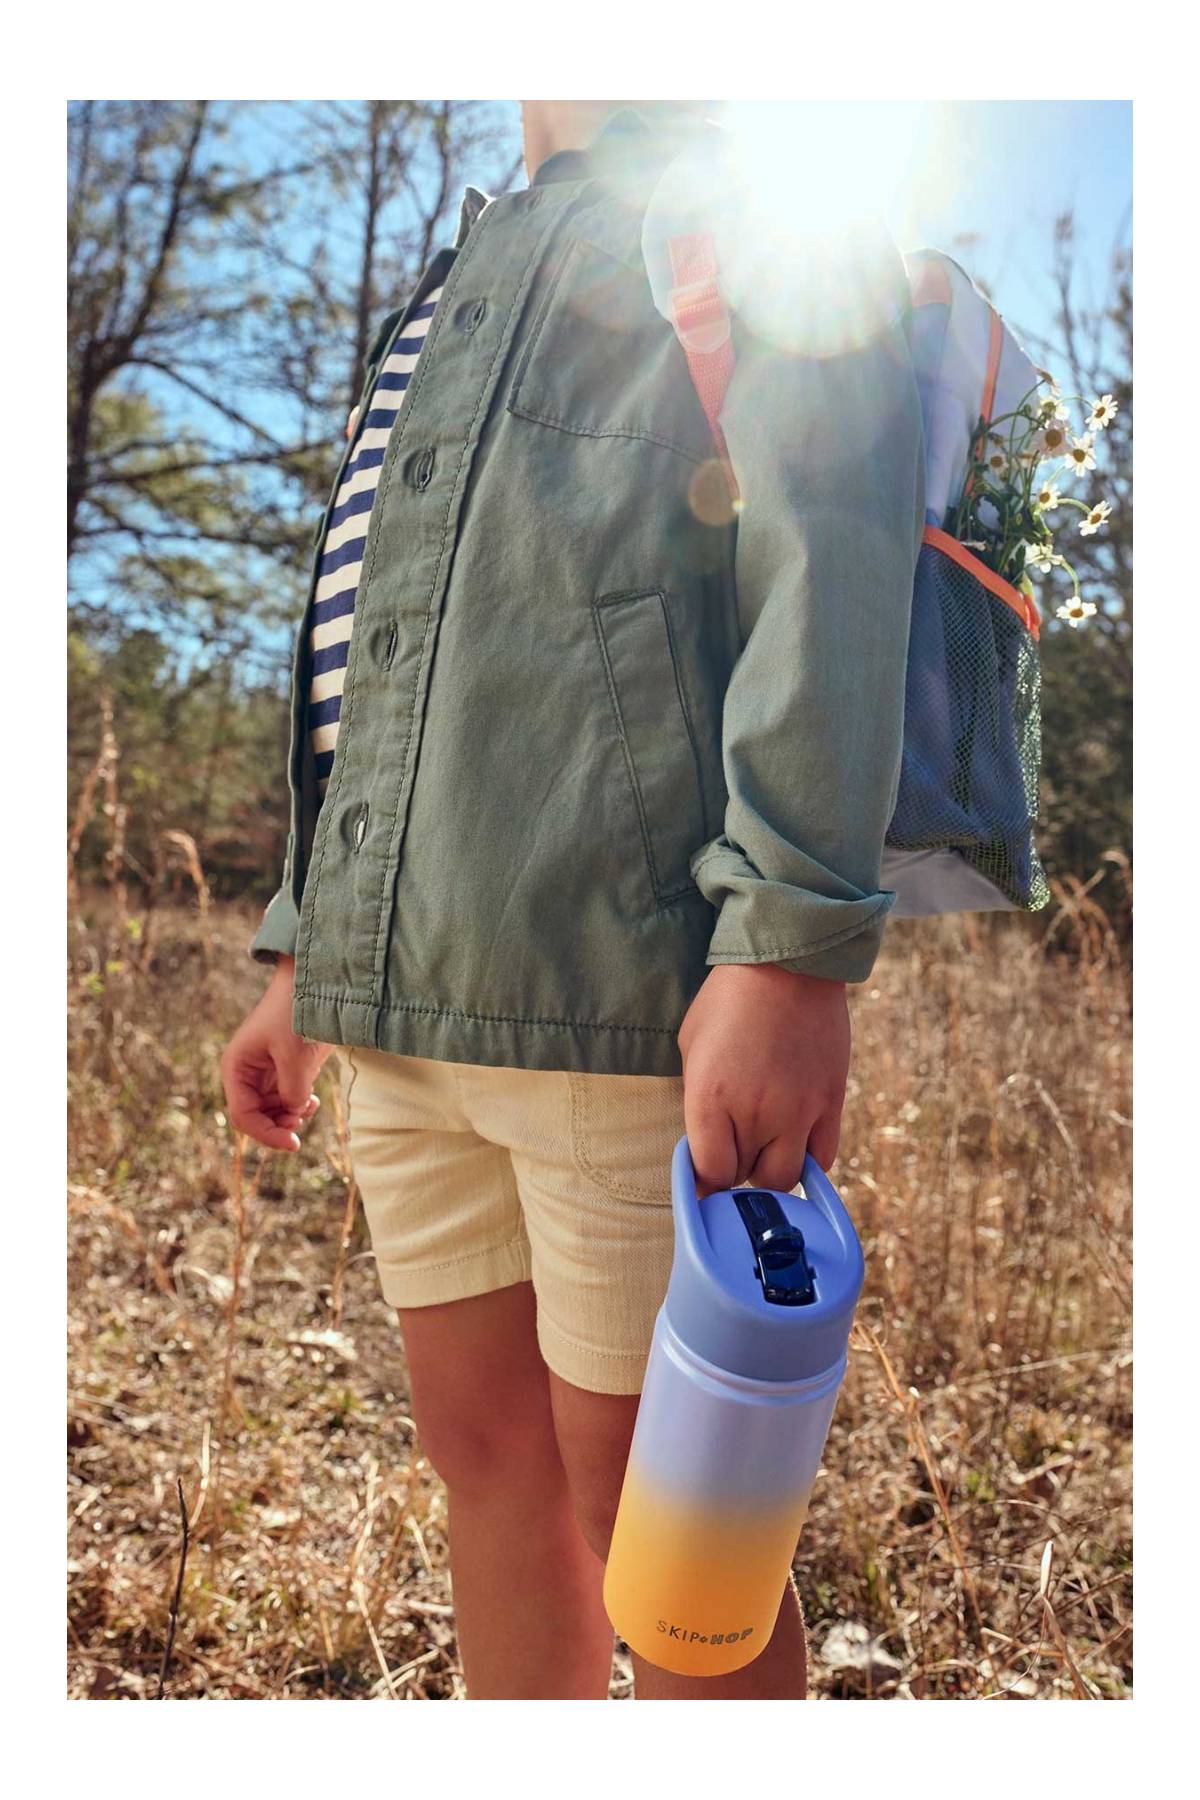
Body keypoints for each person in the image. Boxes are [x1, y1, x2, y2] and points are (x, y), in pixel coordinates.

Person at [220, 98, 925, 1700]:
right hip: (405, 1019)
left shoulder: (755, 202)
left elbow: (832, 565)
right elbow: (377, 643)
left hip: (619, 1013)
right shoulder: (457, 275)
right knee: (486, 1466)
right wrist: (302, 951)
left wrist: (788, 950)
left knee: (670, 1543)